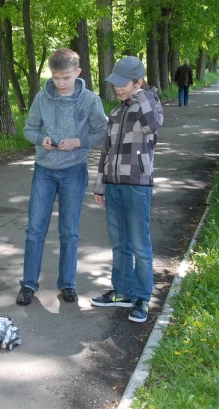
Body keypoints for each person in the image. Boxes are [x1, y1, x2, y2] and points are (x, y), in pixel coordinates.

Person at [16, 48, 108, 306]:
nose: (61, 83)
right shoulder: (42, 98)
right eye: (56, 78)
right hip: (44, 170)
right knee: (35, 229)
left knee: (69, 231)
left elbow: (103, 133)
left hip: (74, 171)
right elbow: (29, 129)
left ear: (78, 73)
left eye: (66, 77)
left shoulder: (90, 101)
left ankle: (67, 284)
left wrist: (79, 141)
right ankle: (27, 284)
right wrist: (40, 139)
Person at [91, 56, 164, 323]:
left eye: (124, 84)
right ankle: (122, 292)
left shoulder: (149, 105)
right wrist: (101, 185)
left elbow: (152, 125)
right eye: (116, 84)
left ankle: (142, 298)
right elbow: (105, 152)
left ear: (137, 82)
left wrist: (142, 93)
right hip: (114, 186)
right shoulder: (115, 113)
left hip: (137, 187)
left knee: (140, 245)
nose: (118, 89)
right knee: (120, 244)